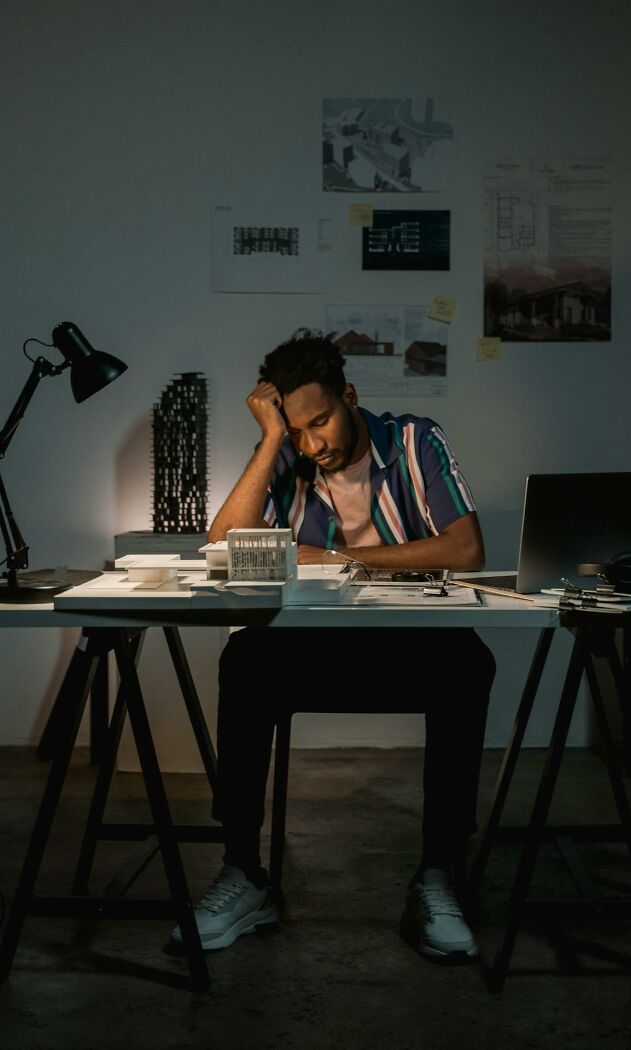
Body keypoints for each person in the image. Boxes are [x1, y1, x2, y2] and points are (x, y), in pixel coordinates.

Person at [171, 329, 496, 963]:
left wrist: (345, 558)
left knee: (467, 663)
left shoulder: (414, 440)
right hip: (314, 648)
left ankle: (437, 875)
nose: (312, 443)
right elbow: (221, 546)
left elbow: (465, 549)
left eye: (319, 421)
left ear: (349, 396)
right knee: (245, 660)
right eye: (296, 431)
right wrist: (270, 440)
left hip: (410, 647)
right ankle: (243, 873)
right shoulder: (288, 452)